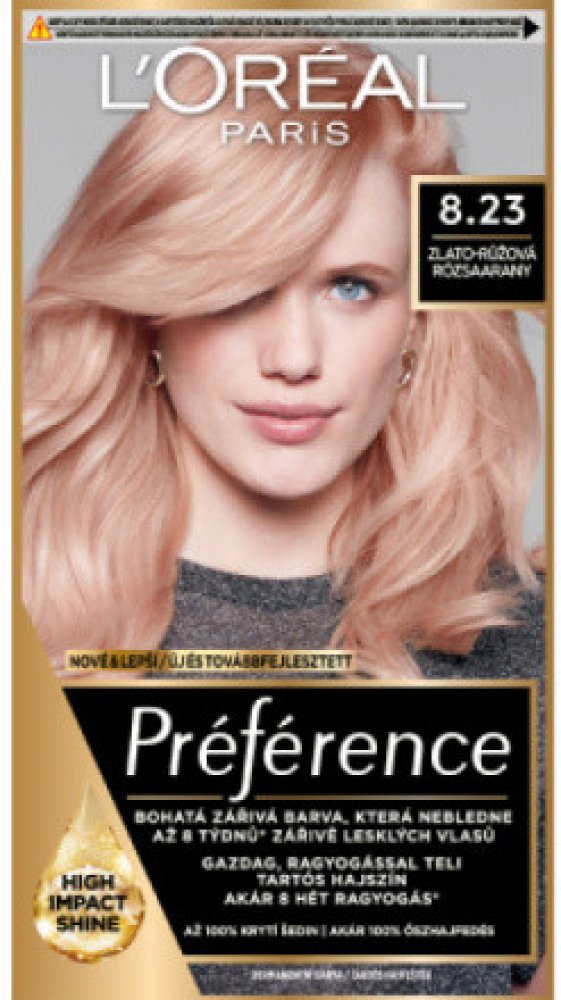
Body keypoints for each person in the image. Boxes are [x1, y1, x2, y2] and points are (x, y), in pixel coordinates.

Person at [24, 41, 544, 993]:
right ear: (152, 310)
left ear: (418, 322)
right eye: (240, 285)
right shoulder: (27, 626)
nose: (294, 357)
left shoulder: (521, 645)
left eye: (352, 287)